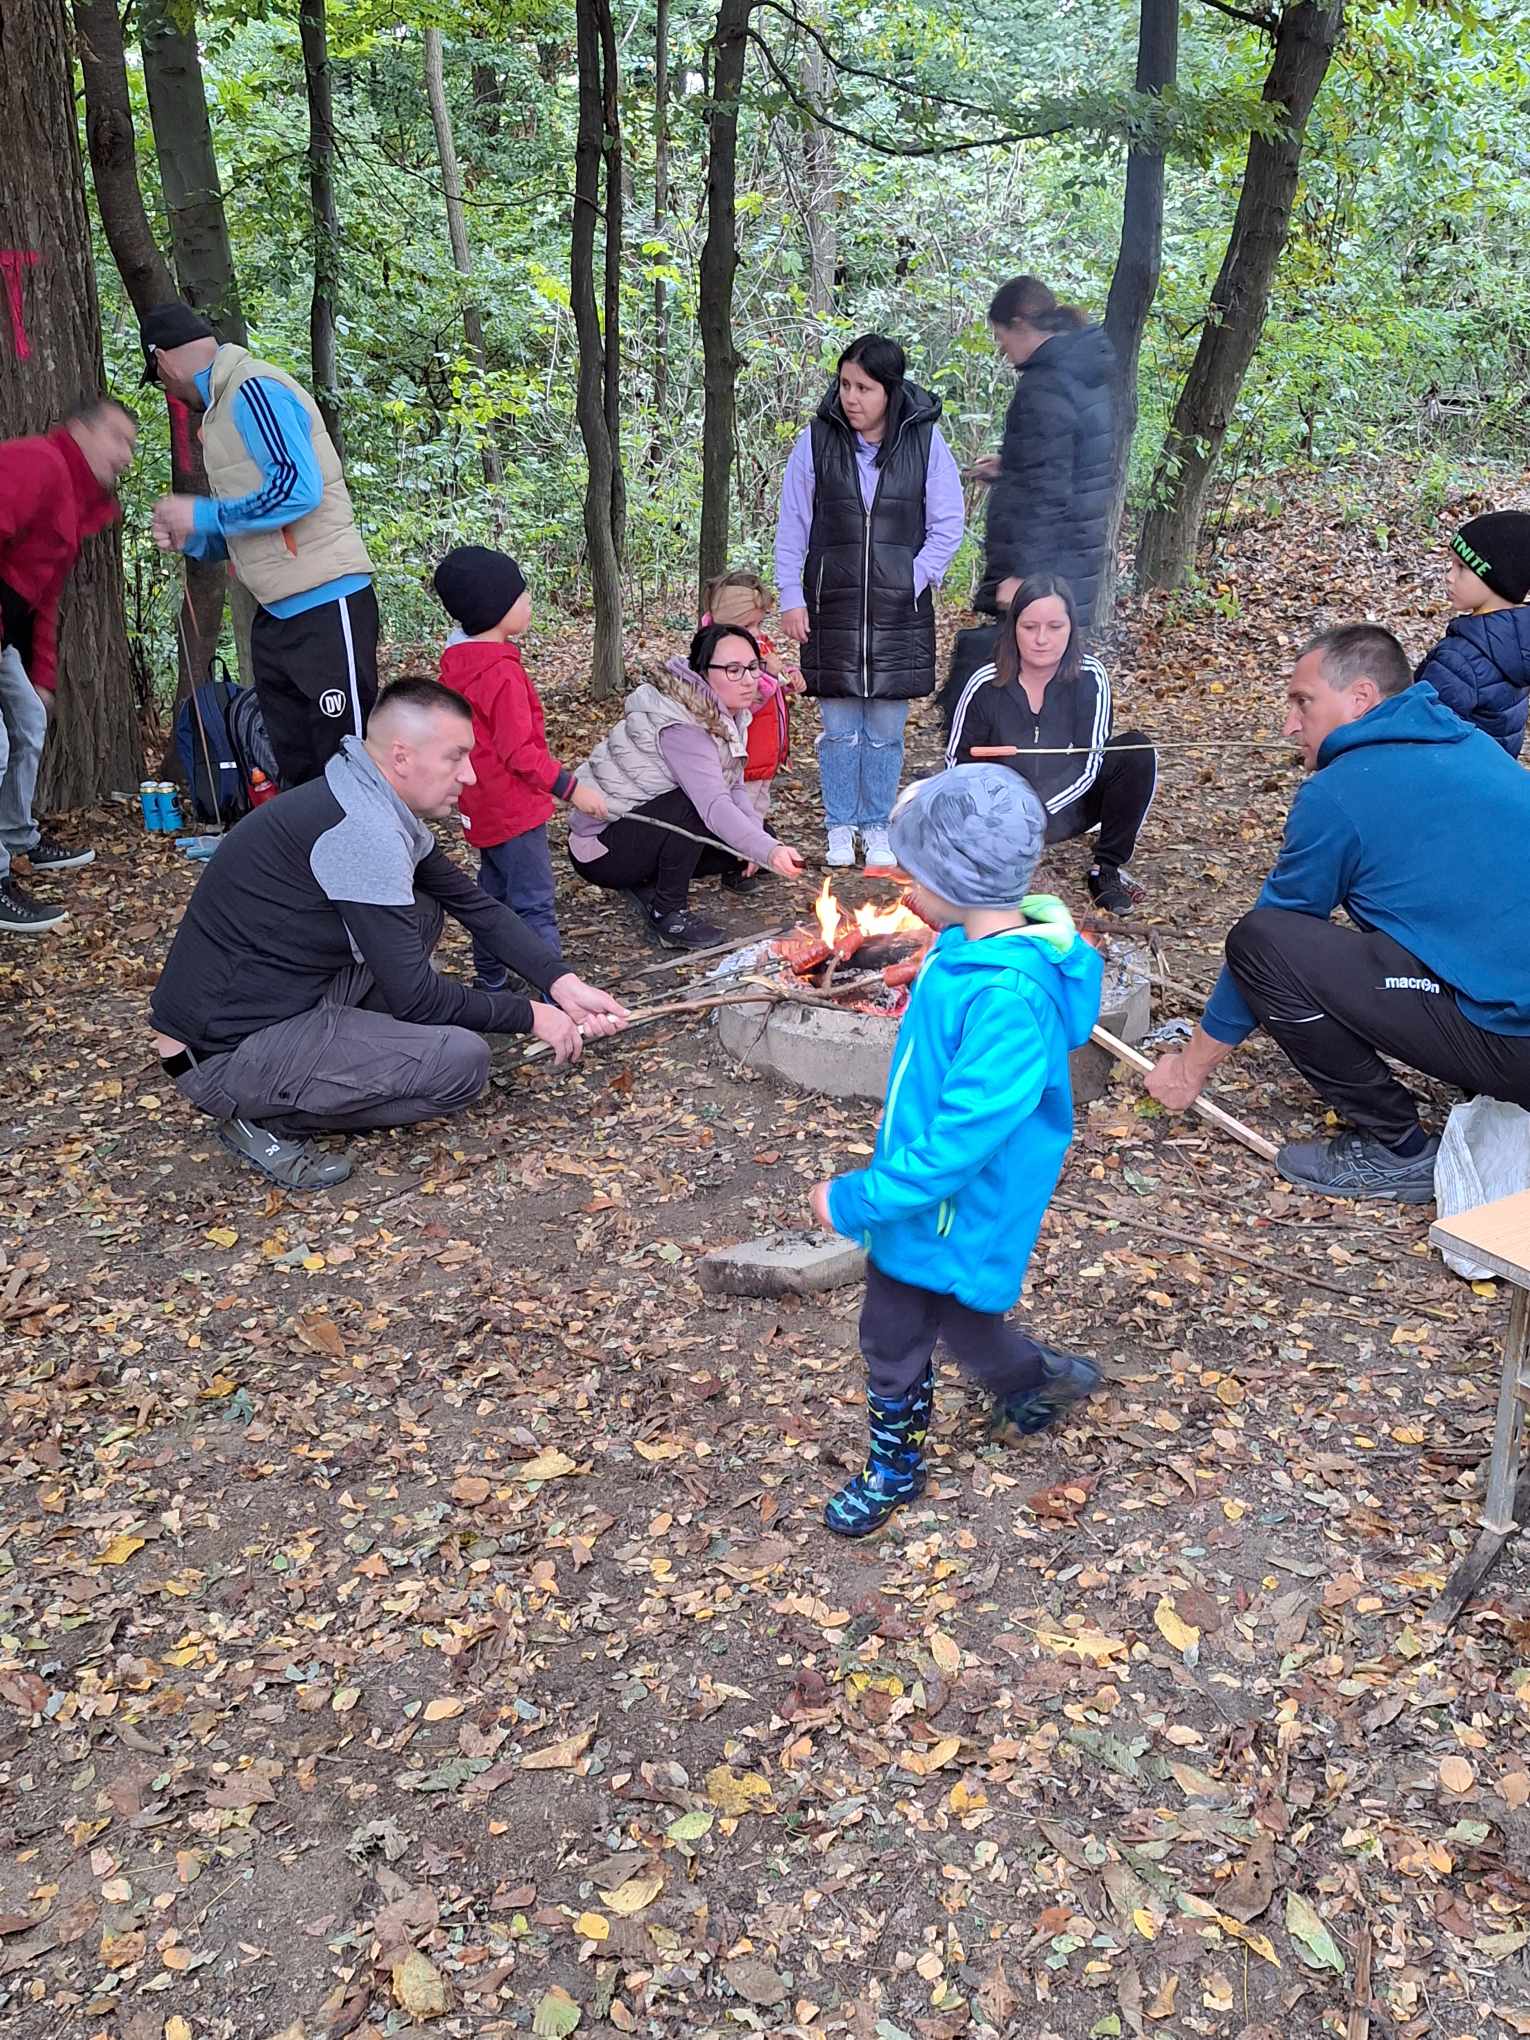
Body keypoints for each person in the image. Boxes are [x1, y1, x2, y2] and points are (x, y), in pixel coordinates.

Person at [150, 678, 628, 1191]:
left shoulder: (366, 793)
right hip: (222, 1053)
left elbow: (474, 905)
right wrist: (532, 1016)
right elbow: (416, 997)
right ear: (402, 756)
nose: (469, 774)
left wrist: (560, 983)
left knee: (422, 909)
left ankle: (351, 1051)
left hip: (278, 997)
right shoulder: (364, 831)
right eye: (455, 757)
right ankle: (266, 1118)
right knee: (461, 1064)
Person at [809, 763, 1104, 1537]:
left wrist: (858, 1199)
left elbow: (960, 1142)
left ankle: (894, 1471)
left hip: (952, 1205)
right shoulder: (965, 948)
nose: (905, 887)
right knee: (963, 1325)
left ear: (959, 883)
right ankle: (1041, 1381)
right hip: (941, 1202)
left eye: (916, 874)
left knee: (896, 1331)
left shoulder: (1005, 995)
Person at [1146, 625, 1530, 1202]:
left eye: (1303, 702)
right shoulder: (1471, 746)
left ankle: (1398, 1148)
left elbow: (1271, 938)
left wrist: (1189, 1068)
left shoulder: (1339, 793)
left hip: (1516, 1044)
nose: (1289, 725)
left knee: (1260, 943)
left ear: (1361, 698)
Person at [141, 303, 378, 790]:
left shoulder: (253, 388)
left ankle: (376, 844)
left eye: (159, 379)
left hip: (326, 599)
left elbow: (297, 490)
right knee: (297, 765)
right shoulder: (221, 411)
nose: (168, 391)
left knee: (350, 763)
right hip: (276, 610)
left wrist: (203, 514)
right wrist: (198, 538)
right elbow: (256, 522)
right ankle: (308, 843)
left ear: (162, 360)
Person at [775, 334, 964, 871]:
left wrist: (912, 578)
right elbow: (793, 524)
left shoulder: (924, 440)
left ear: (889, 390)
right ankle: (840, 825)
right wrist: (791, 595)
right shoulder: (816, 440)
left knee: (884, 732)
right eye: (844, 384)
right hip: (830, 605)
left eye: (864, 387)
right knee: (839, 731)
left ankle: (877, 824)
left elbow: (948, 523)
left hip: (899, 611)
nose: (851, 397)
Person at [568, 623, 806, 949]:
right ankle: (668, 913)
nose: (749, 679)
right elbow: (714, 806)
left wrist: (760, 843)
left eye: (753, 667)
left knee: (759, 834)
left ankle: (649, 877)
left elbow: (734, 785)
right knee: (693, 807)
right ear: (703, 671)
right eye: (733, 670)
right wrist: (766, 850)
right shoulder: (683, 726)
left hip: (645, 825)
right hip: (602, 848)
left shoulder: (724, 711)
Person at [434, 544, 607, 987]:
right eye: (520, 595)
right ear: (494, 608)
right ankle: (558, 994)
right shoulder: (501, 673)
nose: (528, 601)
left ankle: (490, 980)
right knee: (534, 904)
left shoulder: (458, 664)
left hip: (481, 806)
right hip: (513, 810)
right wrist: (573, 789)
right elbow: (520, 753)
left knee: (492, 899)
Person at [0, 398, 138, 932]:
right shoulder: (38, 463)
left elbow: (44, 597)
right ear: (81, 431)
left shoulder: (76, 499)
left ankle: (16, 836)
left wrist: (42, 677)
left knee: (30, 721)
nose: (126, 455)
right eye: (118, 438)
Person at [944, 576, 1155, 915]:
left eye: (1055, 627)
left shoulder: (1090, 676)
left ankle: (1106, 870)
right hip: (1003, 814)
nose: (1042, 639)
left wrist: (1037, 812)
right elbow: (958, 764)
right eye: (1030, 627)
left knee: (1135, 751)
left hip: (1068, 806)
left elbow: (1090, 763)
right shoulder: (985, 683)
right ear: (1014, 628)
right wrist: (999, 815)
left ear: (1071, 628)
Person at [972, 276, 1117, 626]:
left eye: (1000, 336)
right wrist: (1011, 467)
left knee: (1027, 659)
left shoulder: (1045, 386)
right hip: (1075, 559)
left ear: (1019, 325)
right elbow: (1068, 463)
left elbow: (1047, 491)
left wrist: (1023, 575)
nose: (1002, 349)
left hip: (1044, 574)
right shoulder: (1082, 372)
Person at [1414, 510, 1530, 756]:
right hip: (1490, 772)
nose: (1449, 577)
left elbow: (1418, 731)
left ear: (1499, 578)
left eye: (1462, 567)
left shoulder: (1460, 658)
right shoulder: (1519, 641)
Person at [702, 568, 801, 834]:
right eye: (748, 626)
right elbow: (743, 702)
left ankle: (750, 849)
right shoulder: (719, 657)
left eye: (759, 624)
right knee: (741, 813)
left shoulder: (758, 645)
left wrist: (788, 676)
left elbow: (773, 682)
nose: (756, 632)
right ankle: (740, 855)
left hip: (764, 752)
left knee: (758, 806)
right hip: (743, 758)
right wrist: (769, 675)